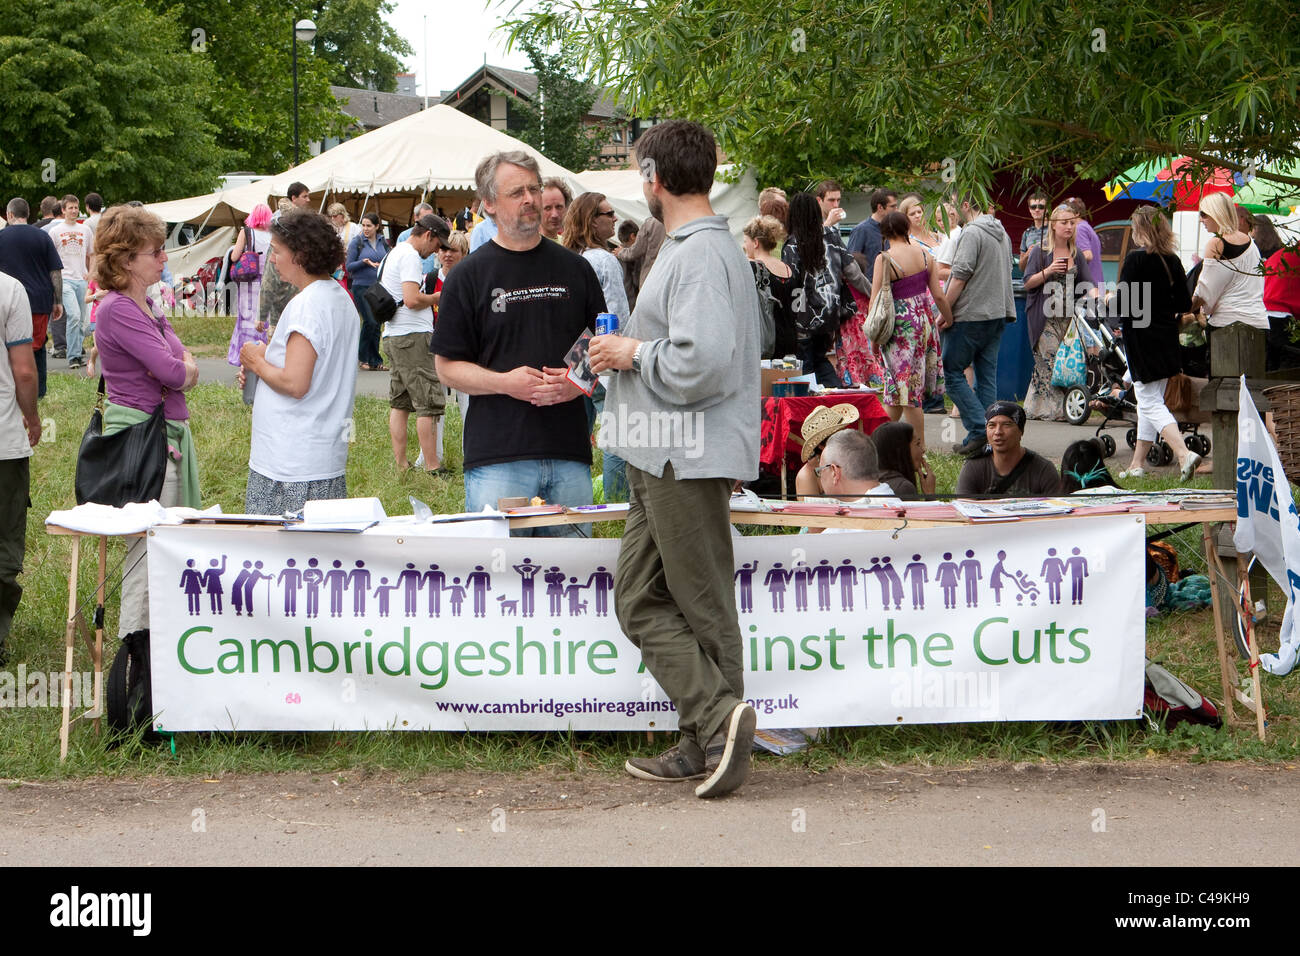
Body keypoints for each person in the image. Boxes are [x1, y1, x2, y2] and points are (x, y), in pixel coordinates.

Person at [589, 118, 760, 798]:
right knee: (642, 599)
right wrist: (622, 354)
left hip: (681, 457)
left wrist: (631, 353)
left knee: (701, 602)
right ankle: (708, 732)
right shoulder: (696, 248)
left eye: (640, 172)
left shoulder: (699, 254)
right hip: (660, 455)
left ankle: (716, 729)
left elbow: (703, 365)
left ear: (653, 178)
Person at [434, 150, 606, 531]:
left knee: (572, 579)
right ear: (489, 204)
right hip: (498, 456)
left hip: (568, 453)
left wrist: (575, 384)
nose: (530, 199)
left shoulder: (576, 269)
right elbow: (446, 367)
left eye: (534, 188)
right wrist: (504, 383)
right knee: (499, 578)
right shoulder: (468, 277)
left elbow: (600, 345)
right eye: (517, 192)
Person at [94, 204, 201, 637]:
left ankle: (156, 650)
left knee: (164, 548)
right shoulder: (119, 309)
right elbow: (175, 370)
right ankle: (134, 659)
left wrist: (182, 366)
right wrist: (186, 366)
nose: (164, 258)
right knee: (147, 552)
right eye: (155, 251)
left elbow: (175, 363)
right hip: (145, 444)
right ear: (124, 260)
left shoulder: (145, 303)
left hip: (162, 438)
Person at [238, 210, 361, 513]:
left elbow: (295, 383)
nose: (272, 259)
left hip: (290, 464)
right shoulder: (339, 298)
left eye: (277, 251)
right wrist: (268, 360)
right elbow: (317, 364)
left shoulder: (307, 304)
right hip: (320, 456)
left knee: (280, 556)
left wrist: (257, 363)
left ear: (300, 255)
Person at [1114, 205, 1200, 480]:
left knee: (1149, 402)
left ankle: (1184, 453)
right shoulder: (1172, 260)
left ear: (1140, 229)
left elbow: (1125, 303)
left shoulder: (1135, 260)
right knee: (1148, 400)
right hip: (1166, 335)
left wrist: (1107, 301)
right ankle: (1137, 464)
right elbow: (1185, 304)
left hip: (1141, 337)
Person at [563, 191, 631, 503]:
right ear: (592, 221)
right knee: (617, 436)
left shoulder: (568, 259)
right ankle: (616, 502)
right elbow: (615, 315)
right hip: (602, 354)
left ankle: (574, 496)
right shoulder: (604, 260)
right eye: (608, 213)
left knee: (577, 434)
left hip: (576, 354)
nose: (615, 218)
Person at [942, 195, 1016, 455]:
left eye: (954, 204)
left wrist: (944, 310)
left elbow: (960, 275)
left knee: (952, 373)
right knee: (986, 378)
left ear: (965, 205)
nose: (952, 210)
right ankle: (991, 437)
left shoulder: (972, 232)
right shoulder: (1002, 233)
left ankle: (979, 431)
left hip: (970, 315)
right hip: (997, 313)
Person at [866, 211, 949, 442]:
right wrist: (948, 318)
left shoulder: (884, 259)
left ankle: (917, 445)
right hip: (923, 324)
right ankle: (879, 442)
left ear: (884, 233)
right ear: (906, 228)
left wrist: (874, 340)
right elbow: (939, 296)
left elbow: (875, 303)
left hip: (899, 328)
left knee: (905, 390)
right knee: (900, 390)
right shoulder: (925, 256)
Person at [378, 213, 451, 474]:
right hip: (412, 336)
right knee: (428, 403)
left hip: (393, 335)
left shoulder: (394, 252)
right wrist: (438, 296)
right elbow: (410, 299)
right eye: (437, 245)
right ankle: (432, 466)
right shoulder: (409, 256)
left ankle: (401, 464)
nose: (437, 251)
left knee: (400, 403)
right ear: (428, 235)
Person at [783, 192, 870, 387]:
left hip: (803, 319)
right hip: (830, 316)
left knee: (804, 366)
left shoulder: (792, 244)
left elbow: (790, 284)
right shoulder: (831, 235)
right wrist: (874, 294)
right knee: (820, 360)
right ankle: (837, 401)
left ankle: (809, 408)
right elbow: (853, 272)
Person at [1021, 203, 1092, 421]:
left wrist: (1094, 300)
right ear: (1053, 225)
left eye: (1072, 222)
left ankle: (1034, 407)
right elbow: (1027, 283)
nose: (1069, 227)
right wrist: (1049, 271)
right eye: (1064, 222)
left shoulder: (1076, 253)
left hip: (1069, 318)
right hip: (1044, 316)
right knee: (1051, 360)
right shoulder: (1041, 252)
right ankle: (1062, 409)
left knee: (1059, 361)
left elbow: (1087, 284)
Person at [0, 271, 38, 667]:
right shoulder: (10, 289)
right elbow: (24, 370)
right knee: (4, 538)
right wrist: (33, 417)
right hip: (2, 438)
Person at [0, 198, 62, 398]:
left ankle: (12, 390)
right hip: (38, 300)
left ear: (9, 215)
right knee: (37, 346)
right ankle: (39, 392)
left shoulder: (1, 237)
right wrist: (58, 300)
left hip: (7, 301)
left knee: (9, 346)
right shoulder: (43, 237)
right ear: (27, 214)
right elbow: (55, 272)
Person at [1192, 192, 1268, 332]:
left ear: (1216, 213)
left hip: (1227, 324)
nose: (1200, 220)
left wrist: (1182, 310)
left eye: (1203, 214)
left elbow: (1204, 291)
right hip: (1259, 322)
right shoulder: (1251, 243)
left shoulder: (1216, 244)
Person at [955, 401, 1062, 497]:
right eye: (991, 426)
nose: (998, 432)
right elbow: (964, 509)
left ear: (1021, 431)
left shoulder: (1043, 469)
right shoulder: (973, 467)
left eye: (1006, 425)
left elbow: (1058, 512)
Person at [45, 195, 93, 368]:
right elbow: (49, 257)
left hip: (81, 279)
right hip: (64, 280)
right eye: (70, 208)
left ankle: (77, 352)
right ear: (63, 210)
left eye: (76, 207)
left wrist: (91, 272)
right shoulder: (55, 232)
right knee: (73, 315)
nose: (73, 210)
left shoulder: (85, 230)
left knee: (80, 320)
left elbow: (92, 254)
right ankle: (73, 356)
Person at [226, 203, 272, 376]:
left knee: (246, 321)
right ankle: (262, 355)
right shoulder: (272, 235)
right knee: (262, 320)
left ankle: (245, 359)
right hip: (266, 281)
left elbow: (234, 256)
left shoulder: (246, 232)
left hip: (248, 282)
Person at [742, 214, 797, 359]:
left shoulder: (753, 268)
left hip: (766, 341)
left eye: (745, 241)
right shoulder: (788, 269)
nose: (743, 246)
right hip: (791, 340)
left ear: (755, 243)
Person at [347, 212, 389, 372]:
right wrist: (363, 263)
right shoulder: (356, 243)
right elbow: (349, 266)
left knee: (377, 322)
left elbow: (387, 259)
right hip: (361, 286)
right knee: (369, 321)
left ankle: (375, 360)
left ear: (377, 227)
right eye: (363, 225)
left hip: (377, 286)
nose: (365, 228)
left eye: (369, 225)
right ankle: (363, 357)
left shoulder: (382, 242)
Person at [794, 403, 859, 498]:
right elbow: (810, 511)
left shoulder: (849, 459)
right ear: (821, 446)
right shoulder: (807, 476)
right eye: (838, 438)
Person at [813, 429, 897, 501]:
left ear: (834, 473)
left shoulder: (869, 514)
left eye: (820, 470)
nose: (820, 477)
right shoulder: (890, 504)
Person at [871, 419, 935, 498]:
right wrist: (930, 495)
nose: (923, 450)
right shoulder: (903, 488)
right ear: (901, 450)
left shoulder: (866, 480)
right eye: (917, 443)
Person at [846, 187, 898, 275]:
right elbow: (852, 264)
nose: (896, 209)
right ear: (880, 207)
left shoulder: (893, 228)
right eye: (892, 206)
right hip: (869, 285)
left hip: (892, 285)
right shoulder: (861, 230)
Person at [616, 214, 665, 306]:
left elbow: (634, 252)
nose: (629, 247)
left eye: (628, 245)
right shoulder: (678, 220)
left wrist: (620, 252)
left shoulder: (651, 223)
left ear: (632, 236)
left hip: (649, 285)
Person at [1064, 197, 1105, 288]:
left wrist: (1066, 263)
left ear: (1077, 213)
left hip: (1088, 286)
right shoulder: (1085, 226)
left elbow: (1087, 255)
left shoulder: (1079, 229)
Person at [1018, 190, 1049, 272]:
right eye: (1033, 207)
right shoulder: (1027, 233)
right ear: (1029, 210)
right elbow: (1021, 267)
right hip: (1032, 279)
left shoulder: (1055, 229)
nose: (1037, 210)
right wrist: (1027, 254)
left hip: (1052, 279)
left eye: (1041, 207)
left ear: (1047, 209)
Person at [541, 177, 572, 242]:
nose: (554, 215)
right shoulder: (529, 246)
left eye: (559, 207)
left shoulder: (567, 244)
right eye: (548, 208)